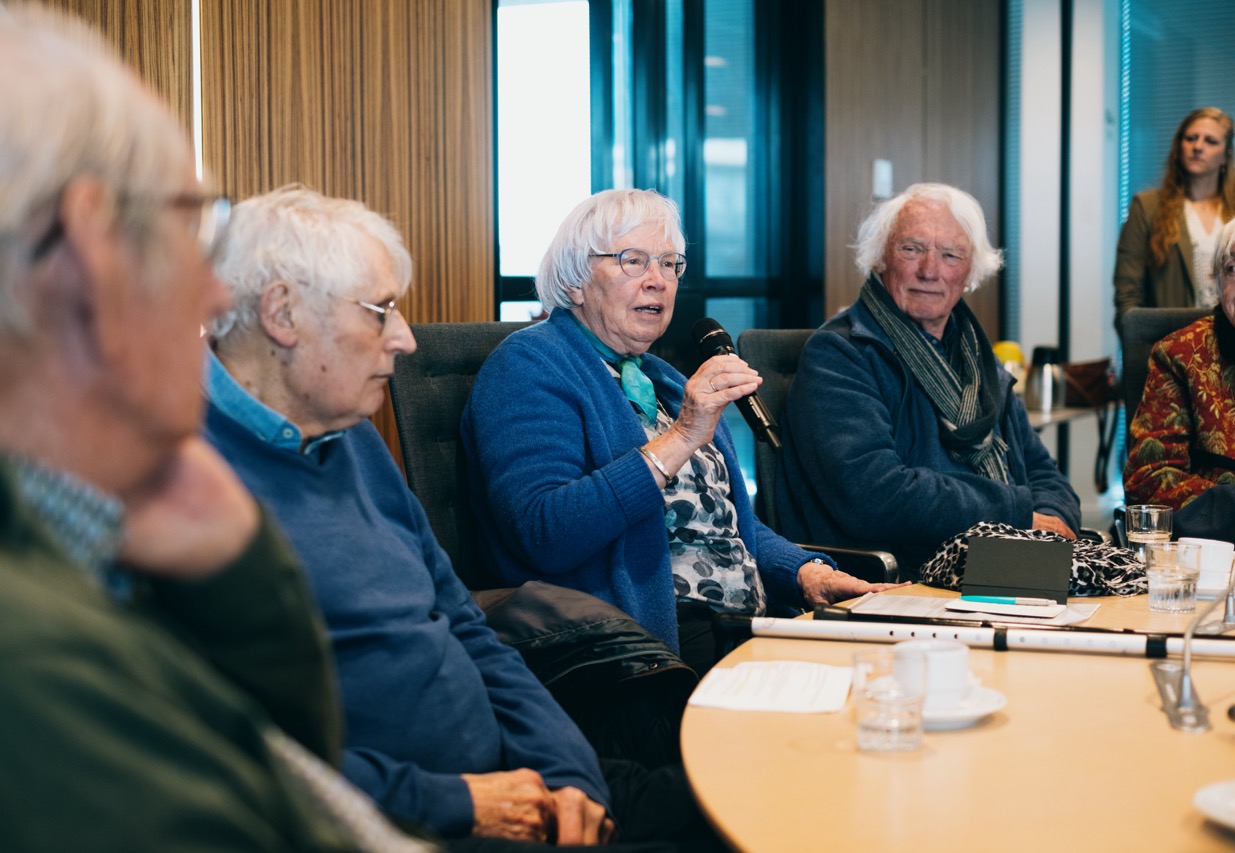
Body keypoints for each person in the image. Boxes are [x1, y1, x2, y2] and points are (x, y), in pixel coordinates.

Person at [0, 8, 439, 851]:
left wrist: (240, 584)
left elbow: (275, 780)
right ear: (93, 246)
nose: (213, 295)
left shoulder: (91, 528)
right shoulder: (34, 665)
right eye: (193, 227)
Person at [204, 185, 717, 850]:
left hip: (515, 774)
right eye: (380, 311)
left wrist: (570, 775)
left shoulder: (349, 435)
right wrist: (457, 801)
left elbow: (469, 628)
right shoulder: (185, 482)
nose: (404, 338)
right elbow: (245, 749)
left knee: (761, 804)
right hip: (407, 816)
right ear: (282, 314)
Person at [459, 188, 905, 677]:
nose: (658, 281)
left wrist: (805, 573)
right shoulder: (530, 365)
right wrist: (682, 436)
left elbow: (729, 525)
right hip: (644, 643)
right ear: (574, 282)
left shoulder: (660, 379)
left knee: (900, 669)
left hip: (751, 623)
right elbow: (544, 532)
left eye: (670, 265)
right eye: (633, 261)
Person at [775, 183, 1082, 580]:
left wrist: (1048, 531)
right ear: (881, 258)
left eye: (950, 255)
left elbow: (1045, 475)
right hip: (901, 580)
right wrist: (1017, 516)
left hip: (1001, 569)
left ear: (970, 273)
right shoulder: (840, 355)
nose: (930, 270)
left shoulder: (977, 359)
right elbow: (875, 496)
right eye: (911, 249)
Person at [1124, 207, 1235, 509]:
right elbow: (1148, 478)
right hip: (1224, 546)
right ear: (1218, 282)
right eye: (1233, 268)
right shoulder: (1181, 354)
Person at [1113, 107, 1235, 329]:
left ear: (1226, 155)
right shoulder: (1147, 208)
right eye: (1190, 138)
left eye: (1210, 141)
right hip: (1170, 342)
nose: (1198, 147)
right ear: (1178, 146)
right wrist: (1144, 347)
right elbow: (1128, 294)